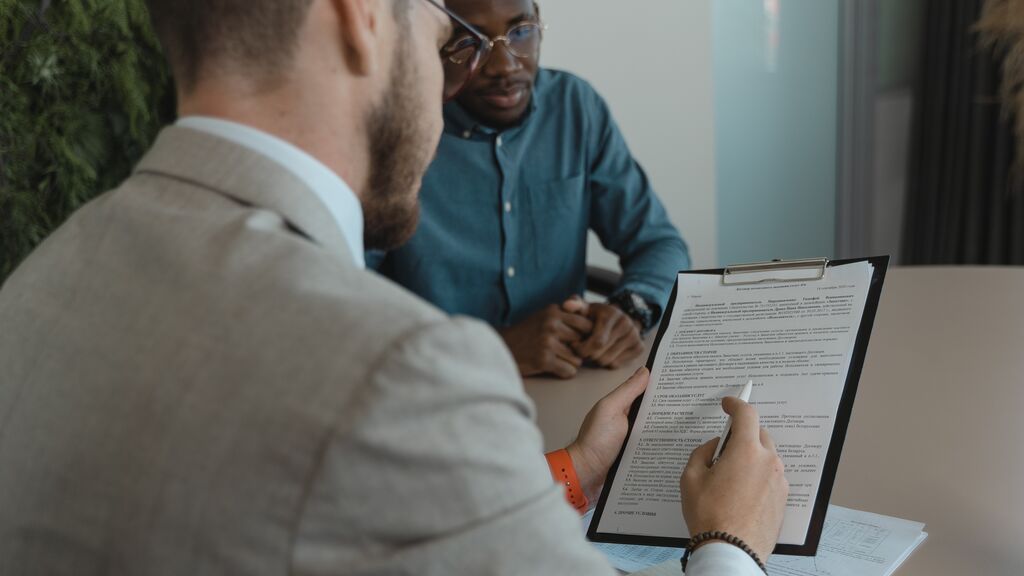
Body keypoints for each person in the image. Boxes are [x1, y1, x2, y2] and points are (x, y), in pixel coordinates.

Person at [0, 0, 787, 574]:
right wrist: (730, 542)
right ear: (361, 19)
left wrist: (572, 472)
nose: (467, 73)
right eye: (448, 37)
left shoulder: (37, 284)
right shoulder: (398, 373)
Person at [369, 0, 691, 380]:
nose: (505, 66)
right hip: (438, 385)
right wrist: (495, 348)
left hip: (568, 379)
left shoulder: (575, 107)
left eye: (521, 32)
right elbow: (347, 301)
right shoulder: (395, 130)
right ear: (434, 40)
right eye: (470, 40)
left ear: (539, 23)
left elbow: (659, 243)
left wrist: (631, 308)